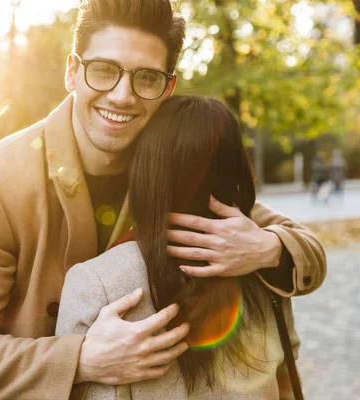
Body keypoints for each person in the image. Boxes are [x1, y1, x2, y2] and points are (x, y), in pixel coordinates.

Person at [0, 1, 326, 399]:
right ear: (72, 72)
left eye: (145, 78)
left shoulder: (169, 164)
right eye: (103, 71)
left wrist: (266, 248)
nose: (121, 96)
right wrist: (80, 359)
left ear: (168, 87)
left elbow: (303, 247)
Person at [57, 95, 302, 399]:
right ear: (238, 168)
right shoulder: (262, 264)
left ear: (145, 169)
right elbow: (287, 378)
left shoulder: (94, 283)